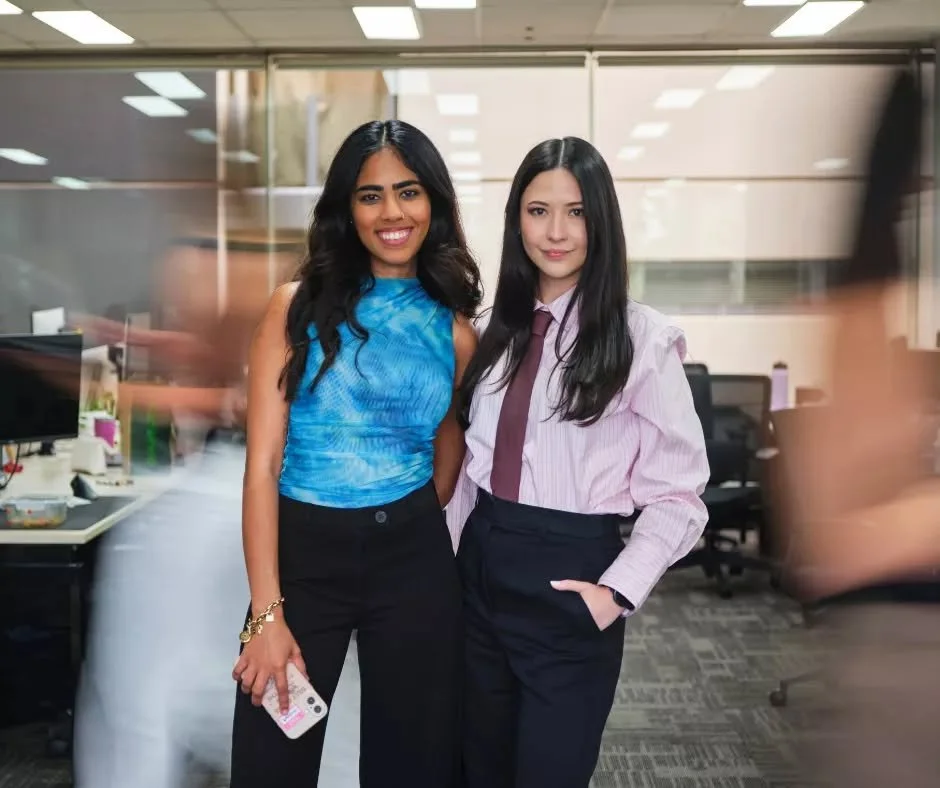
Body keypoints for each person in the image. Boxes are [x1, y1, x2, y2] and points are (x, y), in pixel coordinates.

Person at [447, 136, 709, 788]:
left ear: (601, 221)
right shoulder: (491, 332)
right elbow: (468, 474)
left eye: (576, 212)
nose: (556, 232)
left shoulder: (639, 338)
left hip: (570, 580)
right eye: (538, 211)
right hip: (480, 569)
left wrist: (614, 592)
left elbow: (679, 493)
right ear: (516, 221)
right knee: (476, 769)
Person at [230, 119, 481, 788]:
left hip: (413, 558)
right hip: (306, 556)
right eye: (370, 196)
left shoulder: (454, 329)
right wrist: (264, 614)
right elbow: (259, 469)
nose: (392, 213)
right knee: (271, 762)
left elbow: (448, 443)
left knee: (414, 765)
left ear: (435, 203)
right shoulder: (294, 309)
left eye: (409, 192)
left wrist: (402, 517)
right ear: (346, 208)